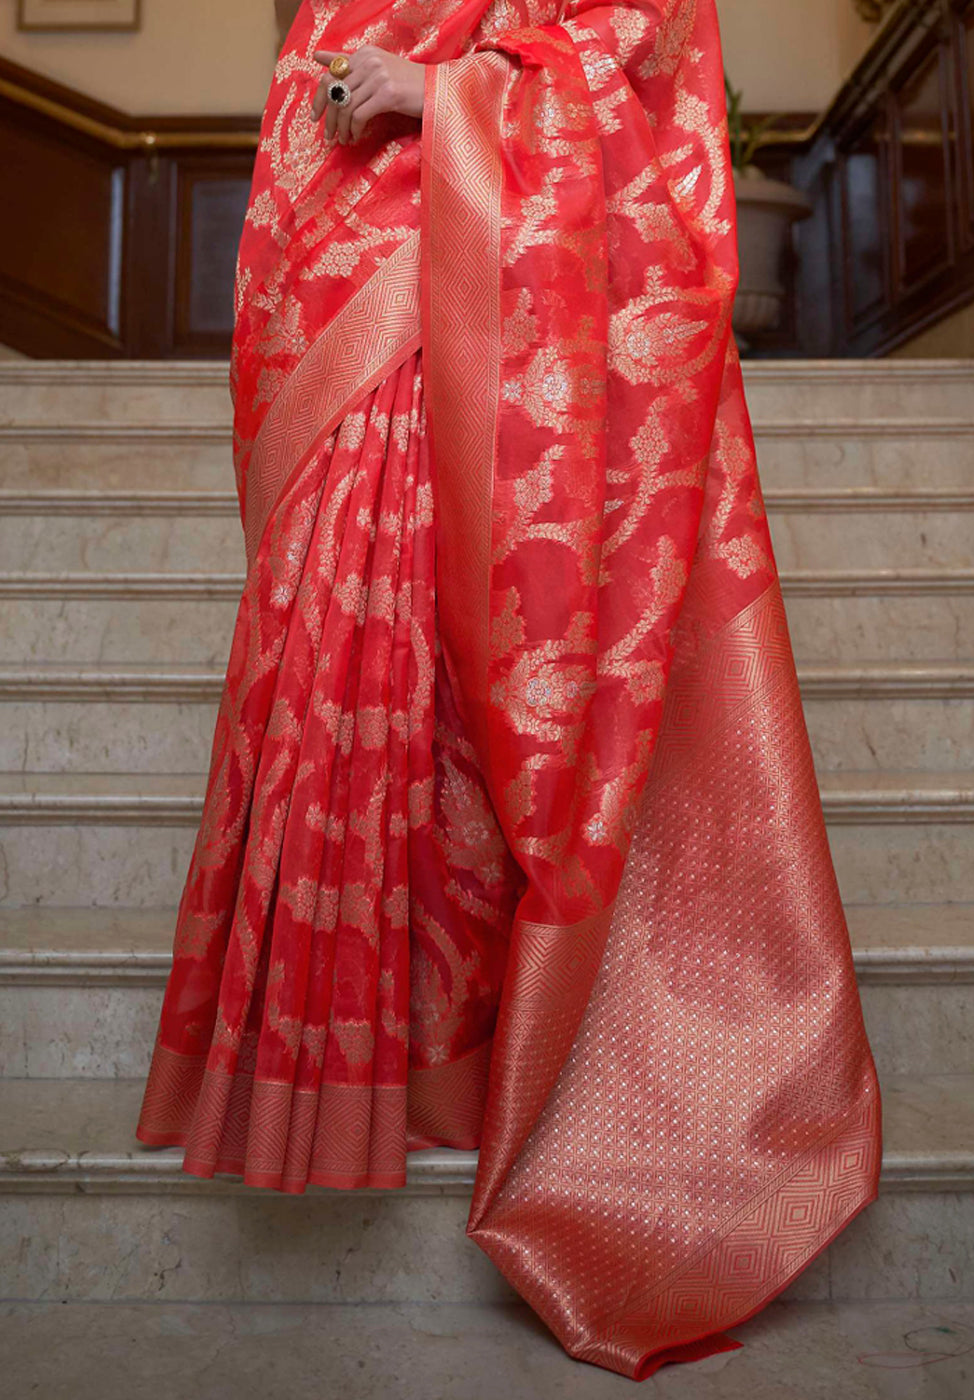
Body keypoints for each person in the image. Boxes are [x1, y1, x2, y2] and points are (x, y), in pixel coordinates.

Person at [136, 0, 882, 1379]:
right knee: (343, 614)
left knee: (463, 629)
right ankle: (353, 1068)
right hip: (341, 221)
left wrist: (445, 93)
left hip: (471, 236)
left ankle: (475, 1057)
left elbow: (638, 47)